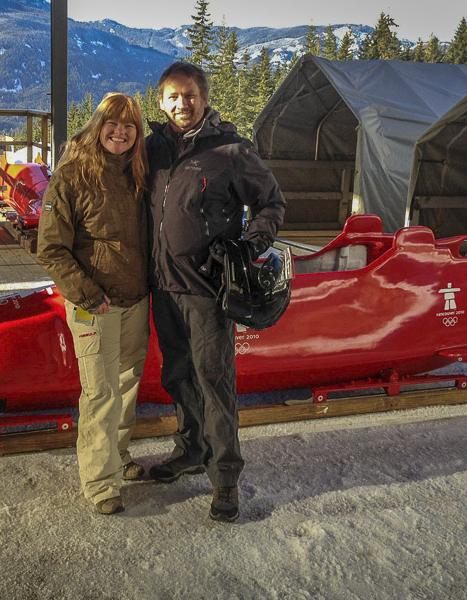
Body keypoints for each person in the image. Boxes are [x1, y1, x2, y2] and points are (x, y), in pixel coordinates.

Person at [145, 61, 286, 522]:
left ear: (204, 98)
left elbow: (271, 202)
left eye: (190, 95)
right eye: (173, 96)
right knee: (178, 376)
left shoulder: (229, 150)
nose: (182, 104)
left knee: (214, 381)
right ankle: (189, 451)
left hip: (207, 290)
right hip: (163, 287)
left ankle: (225, 478)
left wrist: (251, 245)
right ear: (160, 100)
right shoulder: (152, 149)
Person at [36, 93, 150, 516]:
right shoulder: (71, 176)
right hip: (94, 303)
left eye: (129, 126)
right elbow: (50, 248)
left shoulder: (138, 173)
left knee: (126, 384)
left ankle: (118, 458)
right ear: (97, 125)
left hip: (135, 298)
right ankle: (100, 483)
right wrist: (87, 293)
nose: (120, 133)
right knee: (100, 392)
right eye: (112, 124)